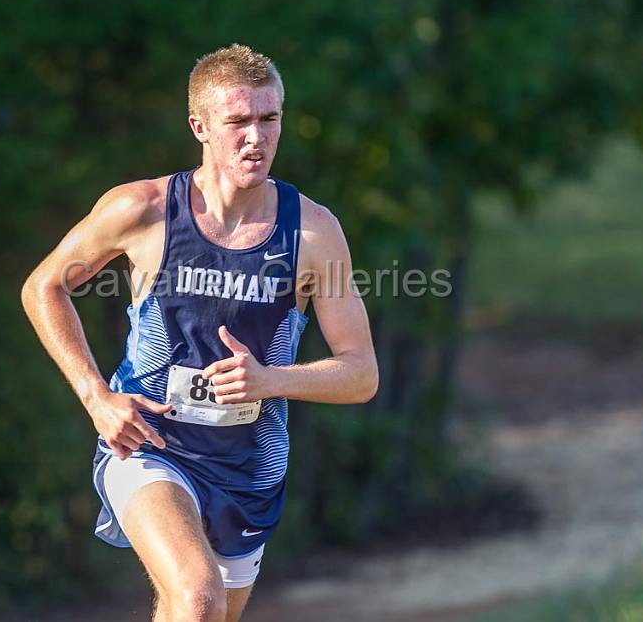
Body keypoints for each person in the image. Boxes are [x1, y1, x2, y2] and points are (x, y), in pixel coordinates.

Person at [22, 43, 377, 622]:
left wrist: (268, 380)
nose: (255, 139)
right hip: (150, 446)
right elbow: (43, 287)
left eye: (269, 119)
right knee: (197, 597)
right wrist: (96, 396)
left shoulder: (312, 233)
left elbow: (361, 374)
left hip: (249, 468)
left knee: (196, 614)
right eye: (238, 122)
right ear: (200, 127)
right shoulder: (143, 209)